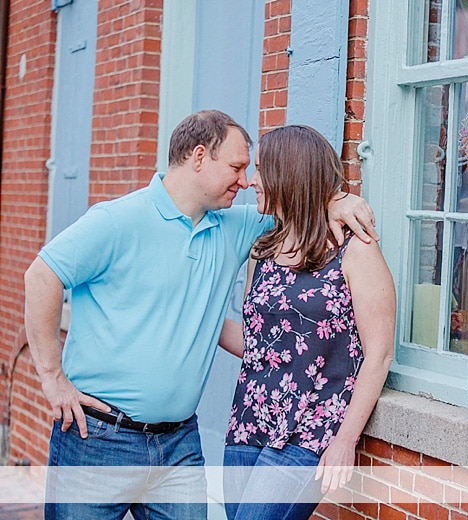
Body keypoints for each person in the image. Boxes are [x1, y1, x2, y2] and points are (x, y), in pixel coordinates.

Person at [23, 110, 377, 520]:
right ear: (198, 157)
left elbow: (299, 201)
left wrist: (339, 199)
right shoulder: (117, 221)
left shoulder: (238, 227)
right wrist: (52, 378)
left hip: (179, 445)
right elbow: (42, 276)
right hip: (98, 438)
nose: (245, 181)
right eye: (237, 166)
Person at [218, 125, 395, 519]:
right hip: (249, 420)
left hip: (310, 429)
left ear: (290, 173)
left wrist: (345, 439)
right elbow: (257, 345)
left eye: (261, 170)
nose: (251, 182)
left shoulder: (355, 250)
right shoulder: (262, 250)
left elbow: (379, 354)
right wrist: (199, 323)